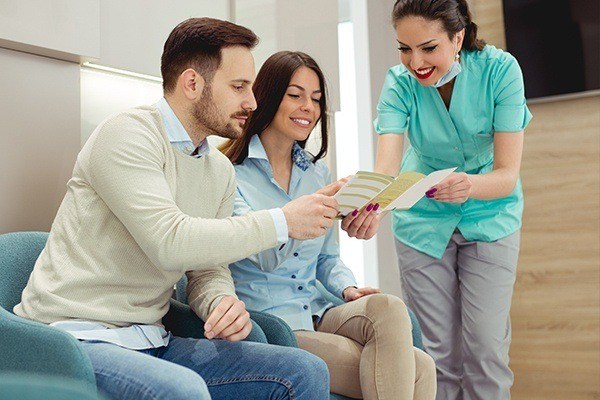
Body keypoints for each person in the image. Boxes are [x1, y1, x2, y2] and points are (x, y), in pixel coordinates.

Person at [14, 18, 335, 400]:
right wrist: (283, 221)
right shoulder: (127, 136)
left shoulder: (217, 169)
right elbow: (170, 241)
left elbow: (206, 267)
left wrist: (219, 300)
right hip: (77, 339)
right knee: (182, 390)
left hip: (154, 338)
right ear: (192, 84)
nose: (252, 102)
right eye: (238, 87)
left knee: (303, 370)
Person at [218, 50, 437, 400]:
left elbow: (327, 260)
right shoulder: (228, 172)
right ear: (267, 96)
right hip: (274, 324)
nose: (308, 106)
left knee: (390, 308)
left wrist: (348, 289)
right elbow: (262, 256)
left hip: (320, 310)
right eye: (295, 95)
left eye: (316, 99)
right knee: (420, 369)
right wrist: (305, 211)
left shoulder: (316, 172)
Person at [342, 1, 532, 399]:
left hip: (491, 216)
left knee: (486, 351)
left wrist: (469, 186)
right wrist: (371, 206)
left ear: (457, 36)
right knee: (435, 355)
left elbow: (506, 174)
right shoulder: (399, 83)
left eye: (428, 48)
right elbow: (387, 168)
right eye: (405, 49)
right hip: (422, 222)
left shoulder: (500, 71)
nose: (416, 62)